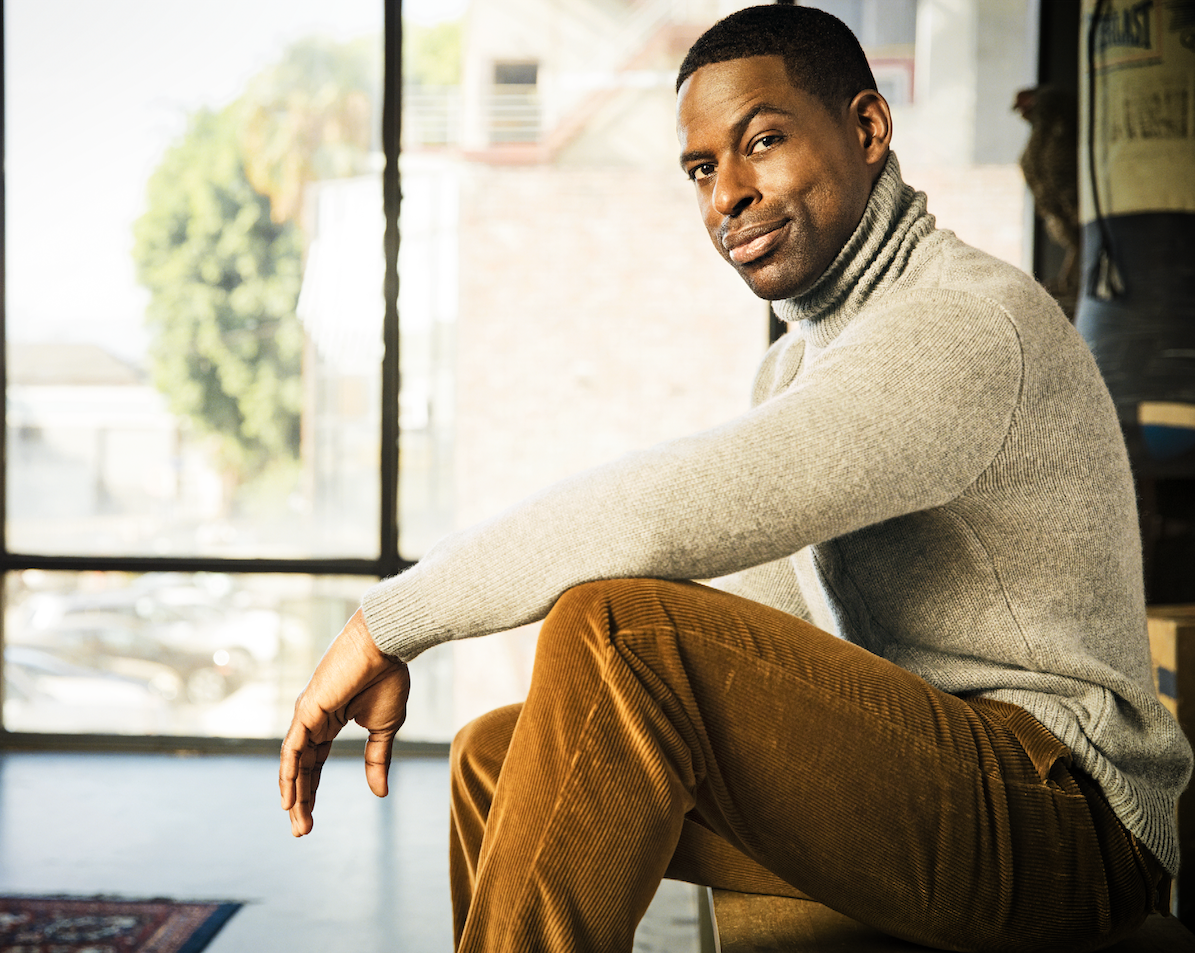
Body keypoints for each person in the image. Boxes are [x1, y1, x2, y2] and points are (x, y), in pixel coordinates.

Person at [278, 6, 1192, 952]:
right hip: (932, 771)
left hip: (1066, 817)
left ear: (867, 128)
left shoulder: (960, 323)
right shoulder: (798, 365)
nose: (728, 195)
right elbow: (759, 624)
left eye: (761, 142)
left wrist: (389, 621)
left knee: (619, 630)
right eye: (700, 168)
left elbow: (663, 516)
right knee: (493, 757)